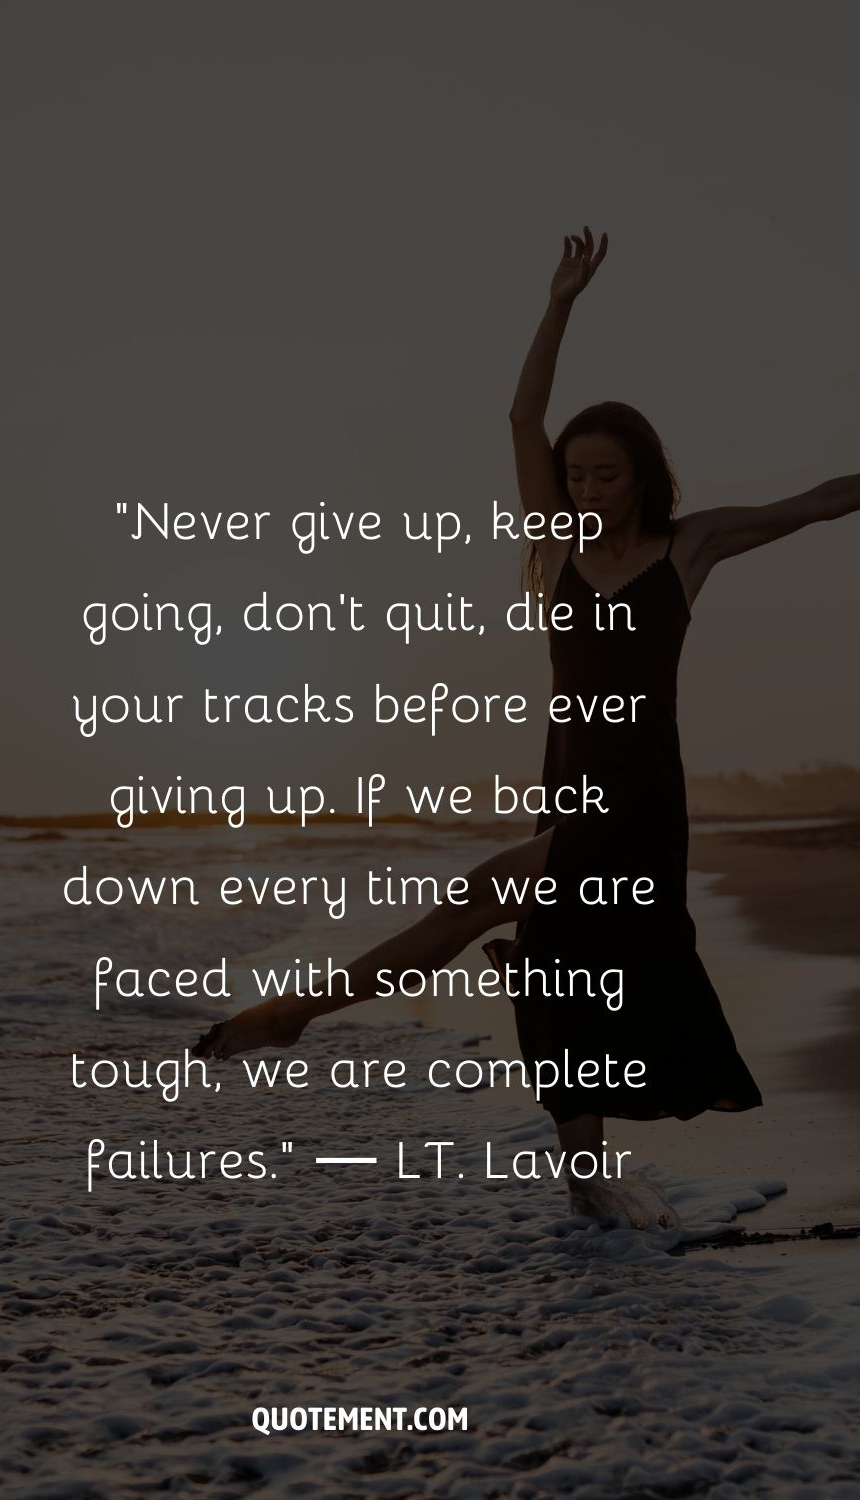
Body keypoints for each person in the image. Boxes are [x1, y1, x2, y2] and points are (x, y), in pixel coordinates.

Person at [196, 226, 860, 1224]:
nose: (586, 490)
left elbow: (814, 501)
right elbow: (518, 413)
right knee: (556, 963)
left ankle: (295, 1011)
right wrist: (559, 304)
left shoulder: (687, 550)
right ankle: (586, 1176)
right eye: (574, 475)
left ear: (640, 475)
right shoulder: (552, 554)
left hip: (639, 798)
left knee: (478, 902)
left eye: (604, 475)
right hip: (569, 779)